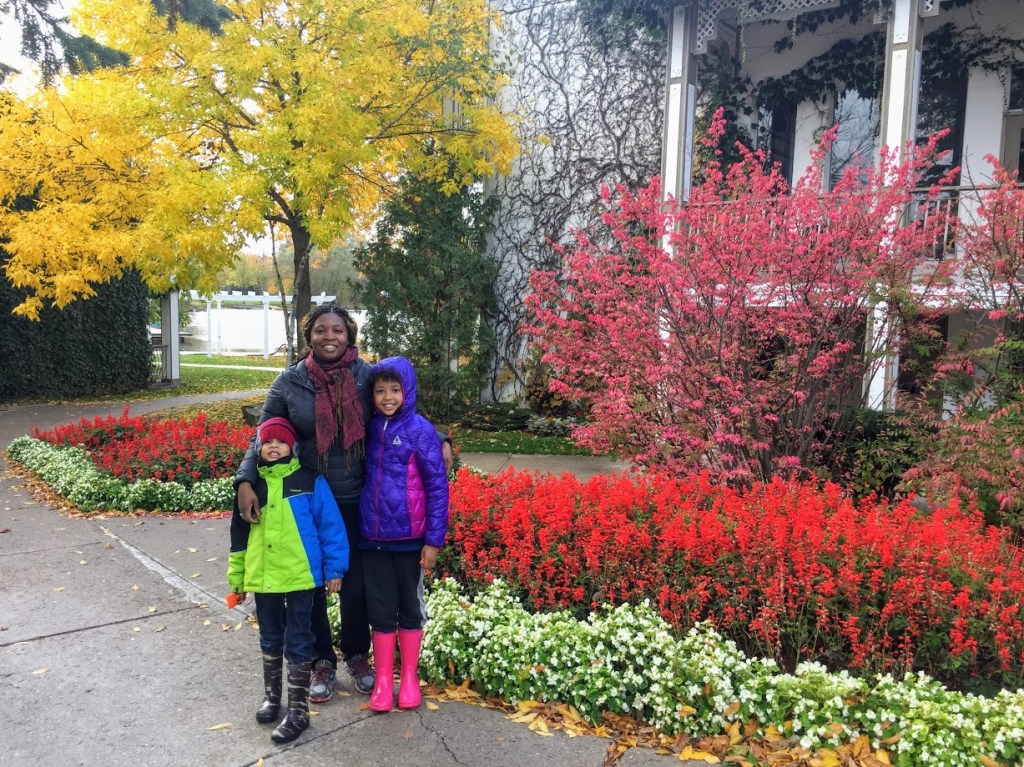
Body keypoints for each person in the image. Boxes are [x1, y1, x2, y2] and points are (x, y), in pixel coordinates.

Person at [234, 304, 453, 703]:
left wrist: (440, 439)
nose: (329, 336)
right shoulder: (289, 382)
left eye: (337, 329)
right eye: (321, 330)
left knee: (355, 585)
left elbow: (399, 408)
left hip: (356, 495)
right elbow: (262, 433)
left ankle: (356, 655)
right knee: (310, 582)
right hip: (306, 497)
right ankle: (321, 659)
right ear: (310, 337)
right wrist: (245, 478)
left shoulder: (365, 375)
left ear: (349, 335)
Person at [227, 417, 349, 744]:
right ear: (258, 448)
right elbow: (238, 538)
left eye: (281, 441)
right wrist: (237, 580)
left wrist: (335, 569)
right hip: (263, 577)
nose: (274, 446)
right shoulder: (252, 488)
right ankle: (272, 697)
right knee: (269, 635)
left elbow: (331, 528)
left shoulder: (309, 481)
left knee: (298, 638)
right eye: (268, 441)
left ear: (292, 447)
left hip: (300, 577)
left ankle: (299, 711)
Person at [359, 356, 449, 712]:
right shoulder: (369, 426)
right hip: (373, 539)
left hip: (411, 540)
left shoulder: (420, 430)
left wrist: (433, 541)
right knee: (381, 609)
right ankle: (384, 680)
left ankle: (409, 677)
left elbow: (438, 487)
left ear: (407, 391)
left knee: (410, 607)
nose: (387, 397)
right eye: (380, 391)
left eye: (395, 390)